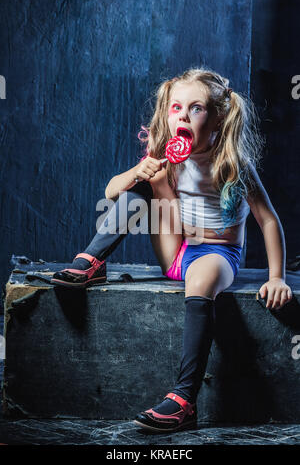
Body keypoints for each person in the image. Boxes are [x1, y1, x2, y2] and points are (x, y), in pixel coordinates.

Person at [51, 67, 293, 433]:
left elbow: (269, 221)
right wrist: (139, 171)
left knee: (202, 279)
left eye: (195, 109)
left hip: (217, 255)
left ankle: (183, 399)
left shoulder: (234, 165)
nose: (182, 115)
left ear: (219, 117)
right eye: (176, 107)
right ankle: (93, 259)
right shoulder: (165, 159)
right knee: (146, 183)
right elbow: (111, 192)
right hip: (176, 250)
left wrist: (277, 277)